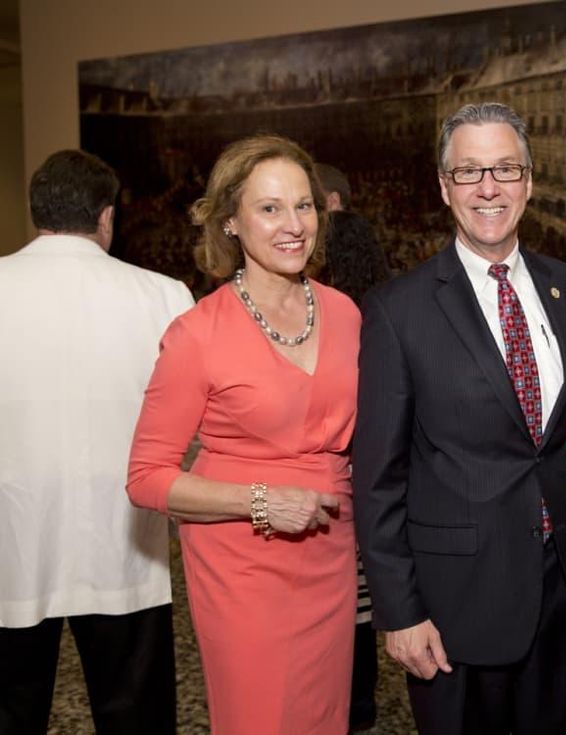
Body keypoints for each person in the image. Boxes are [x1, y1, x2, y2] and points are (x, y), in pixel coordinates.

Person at [353, 102, 566, 735]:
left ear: (529, 181)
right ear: (444, 188)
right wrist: (400, 612)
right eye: (469, 172)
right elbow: (377, 476)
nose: (488, 188)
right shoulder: (397, 310)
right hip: (455, 605)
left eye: (504, 168)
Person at [127, 135, 360, 733]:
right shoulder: (196, 335)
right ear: (230, 221)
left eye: (304, 205)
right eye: (270, 207)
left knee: (326, 716)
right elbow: (146, 478)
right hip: (243, 567)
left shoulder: (346, 313)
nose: (293, 225)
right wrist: (261, 501)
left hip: (330, 556)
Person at [0, 150, 192, 733]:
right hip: (124, 539)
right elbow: (195, 426)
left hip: (10, 536)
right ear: (107, 216)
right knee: (134, 714)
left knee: (10, 711)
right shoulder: (163, 295)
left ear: (37, 212)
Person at [320, 207, 391, 732]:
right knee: (362, 608)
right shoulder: (384, 310)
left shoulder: (325, 319)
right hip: (374, 484)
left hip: (334, 482)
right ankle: (359, 710)